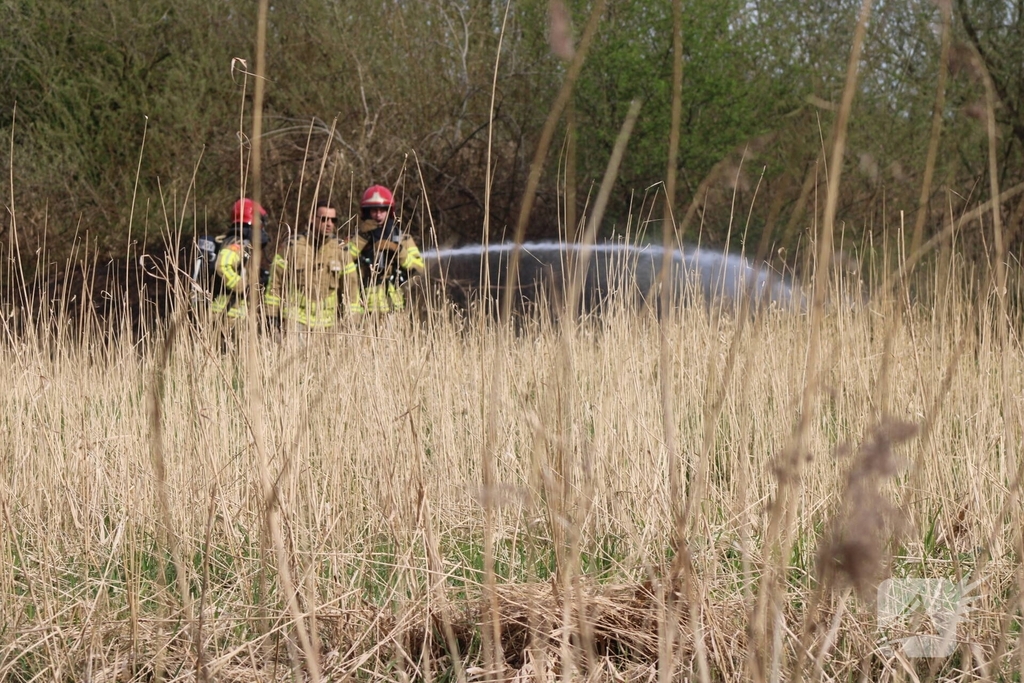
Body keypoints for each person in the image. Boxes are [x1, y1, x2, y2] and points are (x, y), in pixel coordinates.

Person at [264, 199, 348, 330]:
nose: (329, 224)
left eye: (333, 220)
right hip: (296, 319)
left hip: (328, 323)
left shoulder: (340, 250)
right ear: (312, 219)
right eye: (324, 219)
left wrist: (352, 320)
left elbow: (351, 288)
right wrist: (271, 316)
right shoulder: (293, 246)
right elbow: (275, 282)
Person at [342, 185, 425, 314]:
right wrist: (362, 238)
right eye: (374, 211)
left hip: (394, 306)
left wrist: (397, 250)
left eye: (382, 210)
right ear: (367, 212)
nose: (378, 215)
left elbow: (419, 269)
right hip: (365, 306)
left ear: (389, 211)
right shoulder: (358, 237)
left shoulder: (402, 238)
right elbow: (342, 260)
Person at [210, 198, 270, 322]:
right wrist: (243, 286)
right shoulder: (239, 243)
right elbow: (222, 265)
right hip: (228, 313)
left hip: (233, 313)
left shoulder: (237, 241)